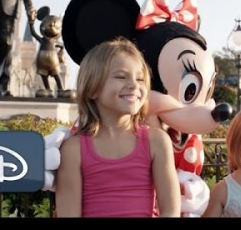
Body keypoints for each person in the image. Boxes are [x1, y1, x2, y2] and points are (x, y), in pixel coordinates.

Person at [55, 37, 181, 217]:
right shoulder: (73, 149)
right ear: (93, 89)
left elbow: (170, 211)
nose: (134, 85)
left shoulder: (157, 141)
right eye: (121, 77)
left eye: (140, 79)